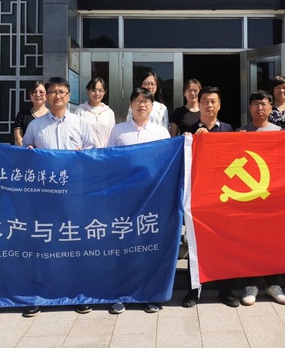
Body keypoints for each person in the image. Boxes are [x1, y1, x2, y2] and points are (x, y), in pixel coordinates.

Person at [21, 76, 98, 318]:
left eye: (62, 92)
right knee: (44, 246)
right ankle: (39, 295)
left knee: (75, 244)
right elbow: (24, 154)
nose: (57, 95)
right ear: (47, 95)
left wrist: (83, 155)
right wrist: (29, 153)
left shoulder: (81, 123)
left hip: (74, 195)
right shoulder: (35, 126)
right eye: (53, 91)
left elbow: (95, 152)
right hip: (44, 197)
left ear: (69, 95)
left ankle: (79, 294)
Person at [106, 88, 170, 314]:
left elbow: (168, 164)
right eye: (137, 101)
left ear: (152, 106)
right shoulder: (118, 130)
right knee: (123, 247)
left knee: (150, 247)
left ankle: (151, 295)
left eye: (146, 101)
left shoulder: (161, 132)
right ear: (131, 105)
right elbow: (108, 161)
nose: (142, 105)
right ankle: (120, 294)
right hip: (124, 199)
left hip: (152, 199)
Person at [182, 86, 239, 309]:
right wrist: (190, 140)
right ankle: (193, 290)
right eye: (205, 101)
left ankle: (225, 290)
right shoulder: (189, 129)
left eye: (213, 101)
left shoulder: (227, 128)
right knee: (196, 243)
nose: (209, 105)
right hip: (198, 195)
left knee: (223, 244)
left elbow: (233, 157)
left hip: (223, 195)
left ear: (219, 105)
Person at [236, 90, 285, 306]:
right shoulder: (241, 133)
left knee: (272, 242)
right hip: (249, 197)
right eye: (256, 104)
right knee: (249, 242)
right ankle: (251, 285)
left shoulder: (281, 133)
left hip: (273, 197)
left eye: (264, 103)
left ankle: (273, 284)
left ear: (270, 107)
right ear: (250, 108)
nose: (260, 108)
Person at [75, 78, 115, 147]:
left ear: (104, 92)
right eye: (93, 90)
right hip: (86, 152)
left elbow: (111, 135)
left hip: (104, 152)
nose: (97, 93)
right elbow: (76, 133)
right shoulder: (80, 111)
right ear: (88, 91)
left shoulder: (109, 112)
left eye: (100, 90)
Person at [13, 81, 49, 146]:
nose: (38, 95)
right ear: (30, 95)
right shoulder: (22, 115)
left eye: (41, 92)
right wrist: (26, 148)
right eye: (34, 92)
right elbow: (18, 137)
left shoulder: (52, 115)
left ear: (47, 95)